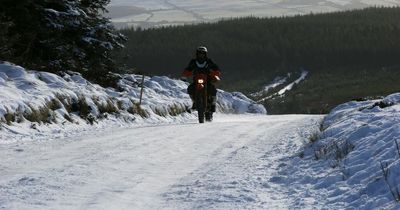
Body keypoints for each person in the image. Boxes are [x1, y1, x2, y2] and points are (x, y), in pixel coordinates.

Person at [181, 46, 221, 113]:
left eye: (203, 53)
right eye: (200, 53)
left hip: (207, 80)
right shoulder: (193, 62)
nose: (201, 55)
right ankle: (194, 102)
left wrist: (216, 72)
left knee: (213, 89)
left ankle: (213, 104)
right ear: (197, 54)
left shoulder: (209, 61)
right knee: (190, 89)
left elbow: (216, 68)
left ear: (205, 54)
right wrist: (184, 75)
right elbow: (188, 69)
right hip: (196, 80)